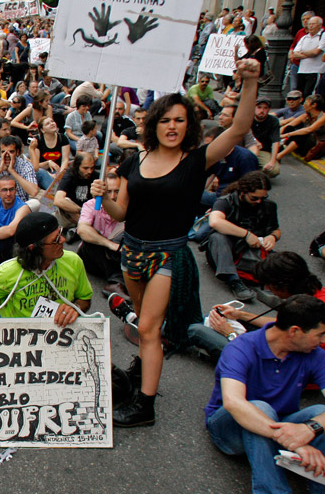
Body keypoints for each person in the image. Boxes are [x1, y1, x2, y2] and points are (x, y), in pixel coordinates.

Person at [90, 57, 261, 427]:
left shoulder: (196, 160)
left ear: (190, 125)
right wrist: (102, 196)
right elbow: (120, 215)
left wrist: (250, 83)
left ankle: (144, 407)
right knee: (143, 324)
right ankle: (143, 367)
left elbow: (239, 128)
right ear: (155, 124)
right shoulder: (136, 160)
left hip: (168, 253)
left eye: (180, 120)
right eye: (166, 120)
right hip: (132, 251)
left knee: (150, 329)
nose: (172, 126)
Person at [203, 296, 325, 494]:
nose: (322, 341)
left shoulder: (314, 354)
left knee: (318, 412)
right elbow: (234, 403)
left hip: (280, 422)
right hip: (229, 430)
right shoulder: (243, 347)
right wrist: (293, 439)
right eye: (319, 334)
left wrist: (309, 430)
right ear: (295, 332)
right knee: (257, 408)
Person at [190, 252, 325, 361]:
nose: (266, 288)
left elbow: (273, 355)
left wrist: (230, 334)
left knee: (195, 330)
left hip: (283, 369)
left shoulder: (307, 314)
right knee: (215, 319)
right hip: (291, 355)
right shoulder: (314, 297)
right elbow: (282, 323)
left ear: (283, 284)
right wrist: (241, 315)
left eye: (268, 284)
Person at [0, 211, 93, 324]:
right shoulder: (8, 272)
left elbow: (85, 299)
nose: (63, 240)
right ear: (33, 248)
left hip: (60, 335)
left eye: (60, 233)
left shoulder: (73, 261)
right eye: (55, 240)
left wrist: (74, 308)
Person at [204, 171, 280, 301]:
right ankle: (233, 280)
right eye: (254, 198)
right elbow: (215, 221)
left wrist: (272, 237)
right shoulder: (226, 201)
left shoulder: (269, 206)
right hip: (226, 249)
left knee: (282, 262)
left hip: (252, 249)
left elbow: (275, 230)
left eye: (263, 198)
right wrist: (246, 234)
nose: (259, 201)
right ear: (243, 192)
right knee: (217, 237)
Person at [77, 173, 126, 295]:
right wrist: (108, 244)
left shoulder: (127, 208)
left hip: (117, 255)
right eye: (108, 192)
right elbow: (82, 229)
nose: (113, 196)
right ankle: (117, 282)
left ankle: (117, 283)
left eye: (117, 191)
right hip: (94, 256)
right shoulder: (91, 205)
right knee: (91, 239)